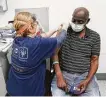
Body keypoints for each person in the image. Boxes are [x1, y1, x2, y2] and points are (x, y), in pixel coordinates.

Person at [6, 12, 67, 96]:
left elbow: (41, 37)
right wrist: (64, 28)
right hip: (30, 91)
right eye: (36, 23)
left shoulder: (17, 38)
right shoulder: (37, 44)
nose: (38, 25)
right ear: (31, 28)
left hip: (13, 86)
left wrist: (55, 29)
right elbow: (59, 40)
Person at [51, 7, 101, 96]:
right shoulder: (64, 32)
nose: (76, 24)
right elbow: (55, 53)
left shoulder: (94, 37)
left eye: (80, 21)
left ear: (87, 21)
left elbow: (94, 60)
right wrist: (59, 75)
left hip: (84, 75)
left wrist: (87, 80)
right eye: (74, 20)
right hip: (64, 74)